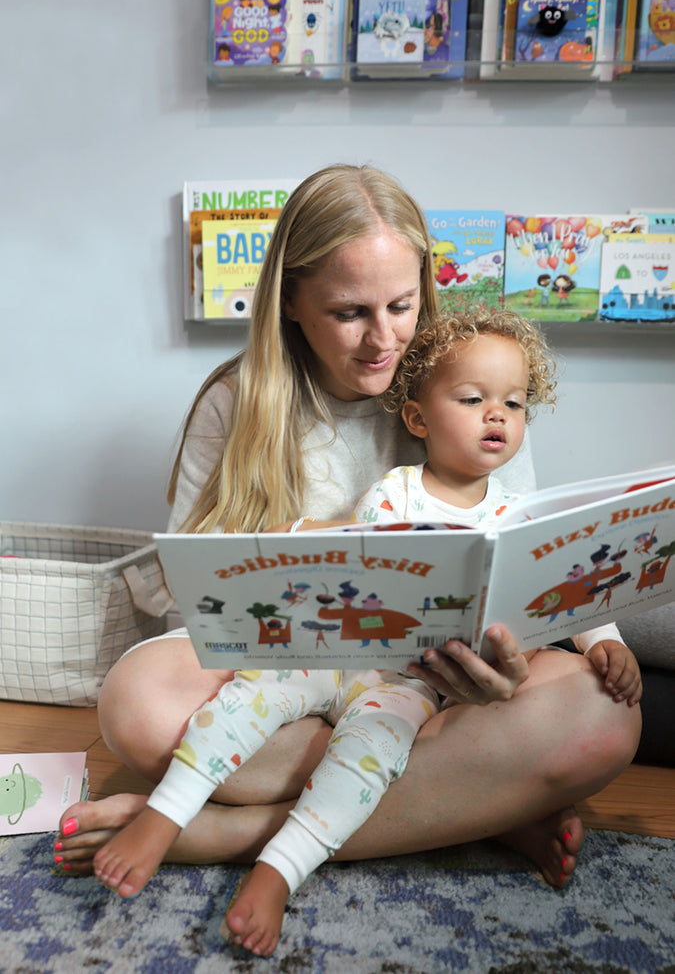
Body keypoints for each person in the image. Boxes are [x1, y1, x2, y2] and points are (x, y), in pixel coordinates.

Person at [54, 164, 641, 954]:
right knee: (135, 702)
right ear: (291, 303)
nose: (383, 338)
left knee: (606, 716)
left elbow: (522, 570)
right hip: (288, 672)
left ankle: (220, 834)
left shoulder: (470, 390)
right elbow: (188, 601)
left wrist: (505, 665)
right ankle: (480, 806)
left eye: (401, 306)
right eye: (347, 313)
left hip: (426, 689)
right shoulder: (235, 401)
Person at [352, 305, 643, 706]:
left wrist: (603, 640)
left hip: (489, 683)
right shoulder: (393, 497)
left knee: (588, 698)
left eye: (514, 404)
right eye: (472, 399)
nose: (497, 415)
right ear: (419, 420)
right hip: (396, 683)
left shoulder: (521, 513)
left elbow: (568, 584)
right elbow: (360, 585)